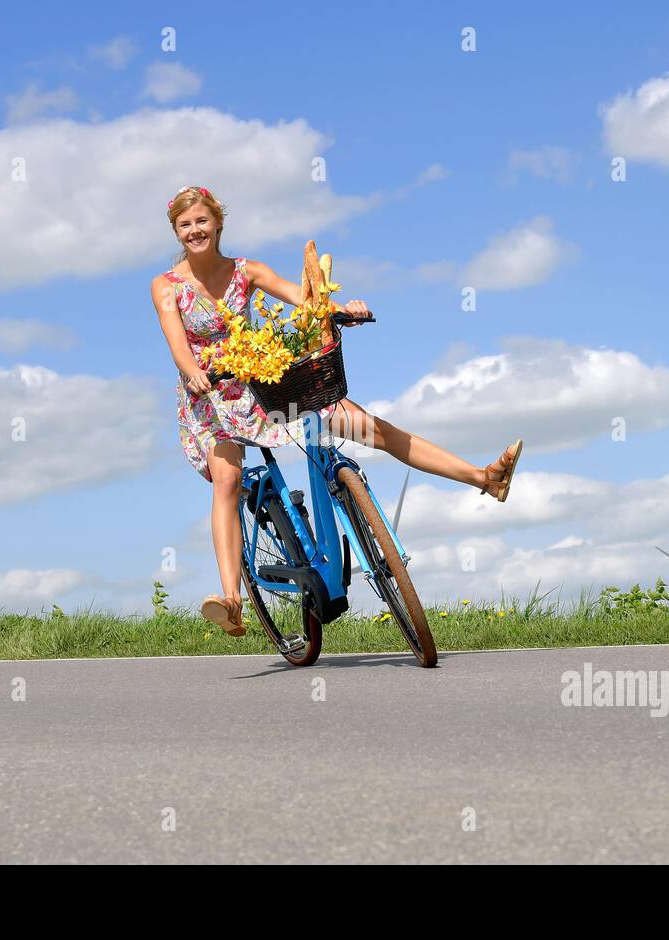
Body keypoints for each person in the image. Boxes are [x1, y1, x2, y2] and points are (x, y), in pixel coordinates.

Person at [151, 185, 522, 636]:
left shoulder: (245, 271)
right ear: (176, 231)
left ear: (218, 223)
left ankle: (485, 478)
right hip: (210, 395)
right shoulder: (166, 287)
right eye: (185, 225)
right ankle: (232, 600)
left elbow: (303, 298)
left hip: (261, 379)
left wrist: (343, 308)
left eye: (202, 221)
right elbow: (178, 345)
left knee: (367, 426)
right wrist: (193, 372)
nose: (195, 230)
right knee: (227, 479)